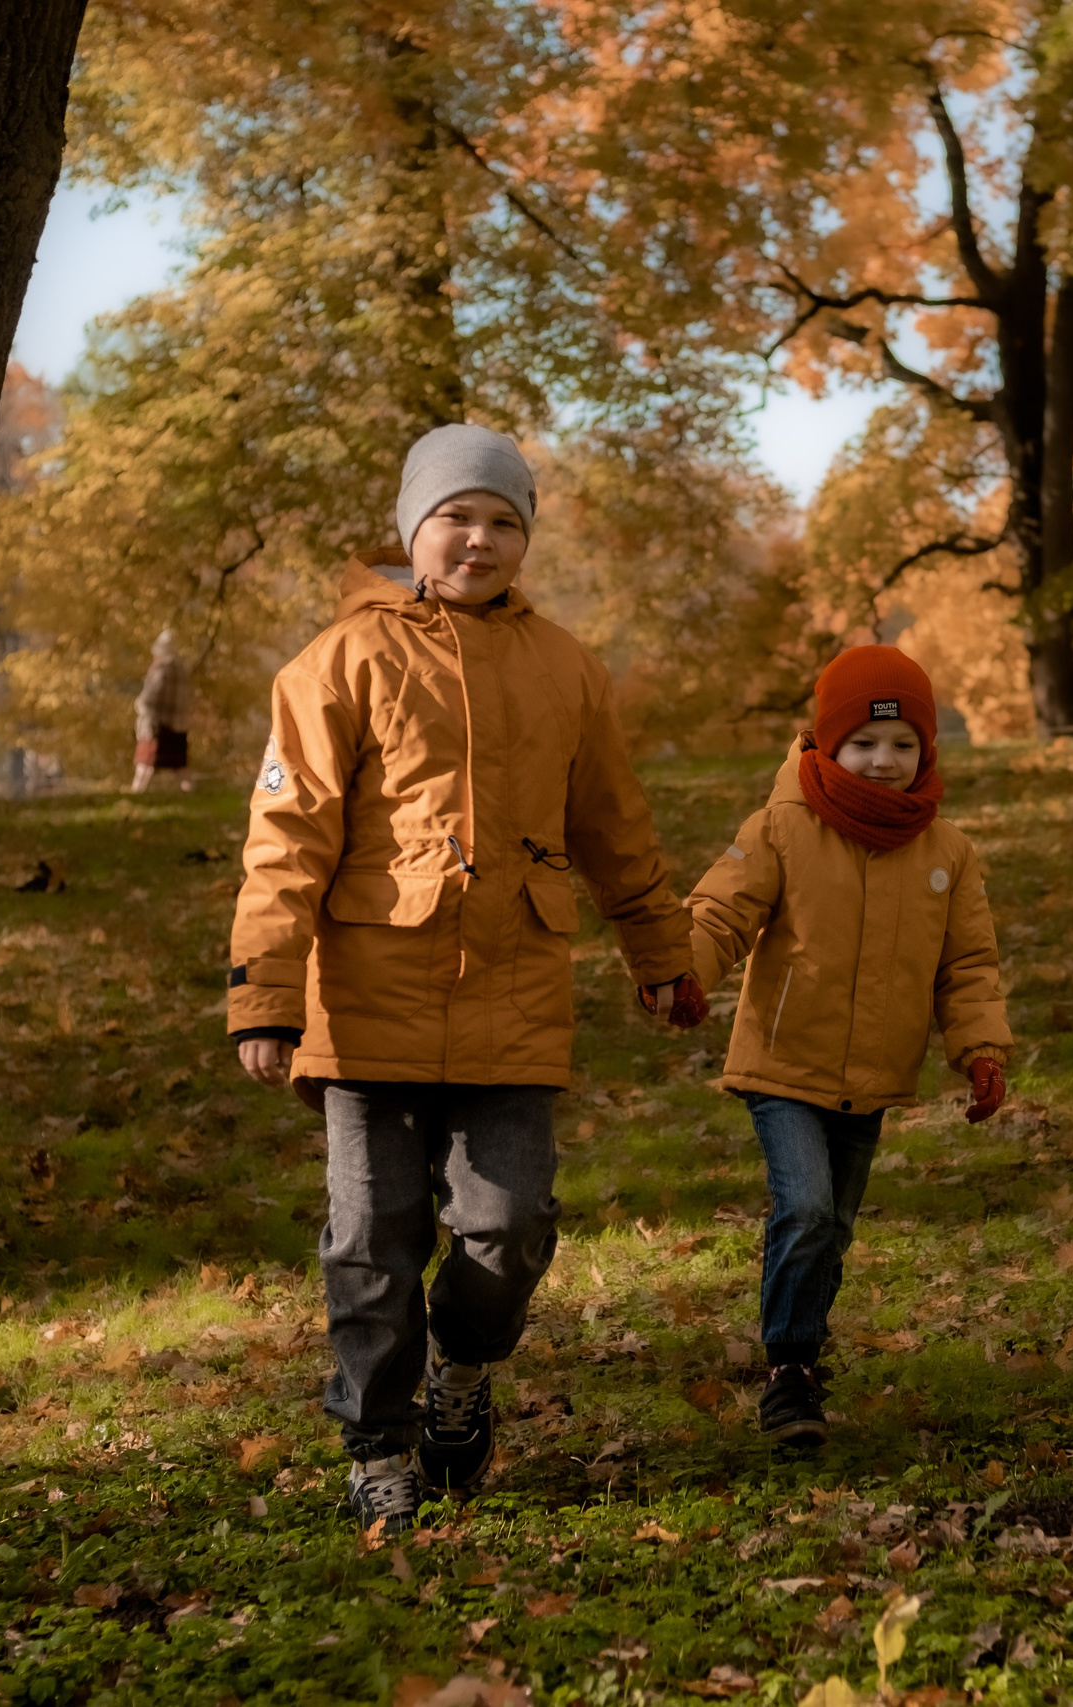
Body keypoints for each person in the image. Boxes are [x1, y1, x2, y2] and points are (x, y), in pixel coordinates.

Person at [226, 423, 709, 1535]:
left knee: (507, 1231)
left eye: (503, 521)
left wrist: (658, 951)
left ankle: (463, 1365)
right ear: (413, 530)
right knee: (370, 1241)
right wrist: (265, 993)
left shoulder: (565, 669)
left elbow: (615, 830)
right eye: (457, 517)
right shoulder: (337, 662)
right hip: (369, 995)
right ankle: (378, 1442)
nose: (480, 539)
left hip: (513, 992)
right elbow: (286, 833)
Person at [683, 646, 1012, 1448]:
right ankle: (789, 1367)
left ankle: (805, 1342)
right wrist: (682, 974)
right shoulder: (782, 827)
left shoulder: (947, 852)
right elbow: (720, 914)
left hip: (873, 1072)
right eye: (864, 742)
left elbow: (967, 964)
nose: (884, 760)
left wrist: (980, 1047)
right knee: (806, 1205)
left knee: (835, 1224)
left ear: (927, 751)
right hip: (783, 1060)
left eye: (904, 745)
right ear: (828, 743)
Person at [132, 628, 193, 792]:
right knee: (181, 768)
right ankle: (190, 795)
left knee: (144, 766)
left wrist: (140, 706)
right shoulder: (183, 669)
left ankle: (135, 795)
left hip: (157, 725)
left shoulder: (161, 669)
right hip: (179, 726)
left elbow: (149, 699)